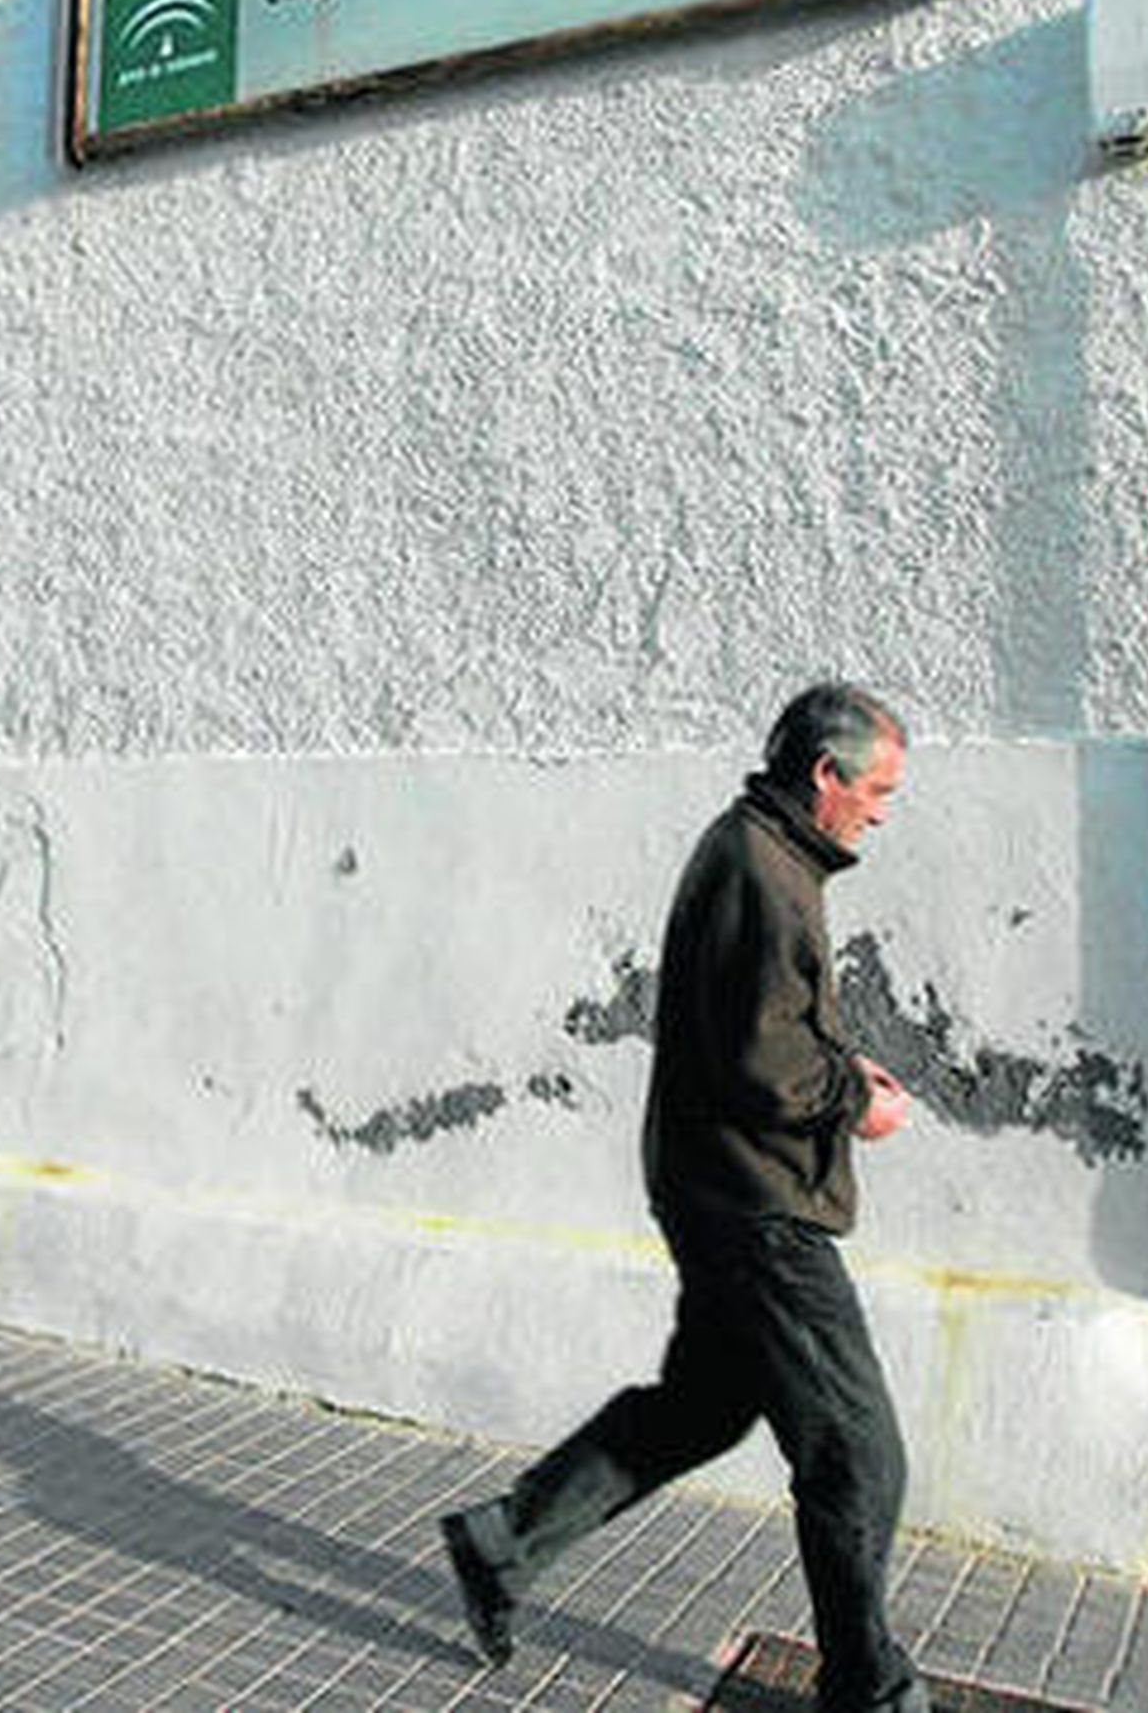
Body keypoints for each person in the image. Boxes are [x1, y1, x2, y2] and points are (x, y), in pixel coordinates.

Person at [441, 683, 928, 1713]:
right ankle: (868, 1689)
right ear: (823, 776)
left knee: (703, 1405)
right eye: (876, 787)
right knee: (858, 1452)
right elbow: (763, 1057)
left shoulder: (763, 853)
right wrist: (854, 1100)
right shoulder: (762, 869)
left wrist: (841, 1069)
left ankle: (504, 1542)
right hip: (755, 1204)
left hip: (715, 1183)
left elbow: (761, 1026)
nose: (883, 808)